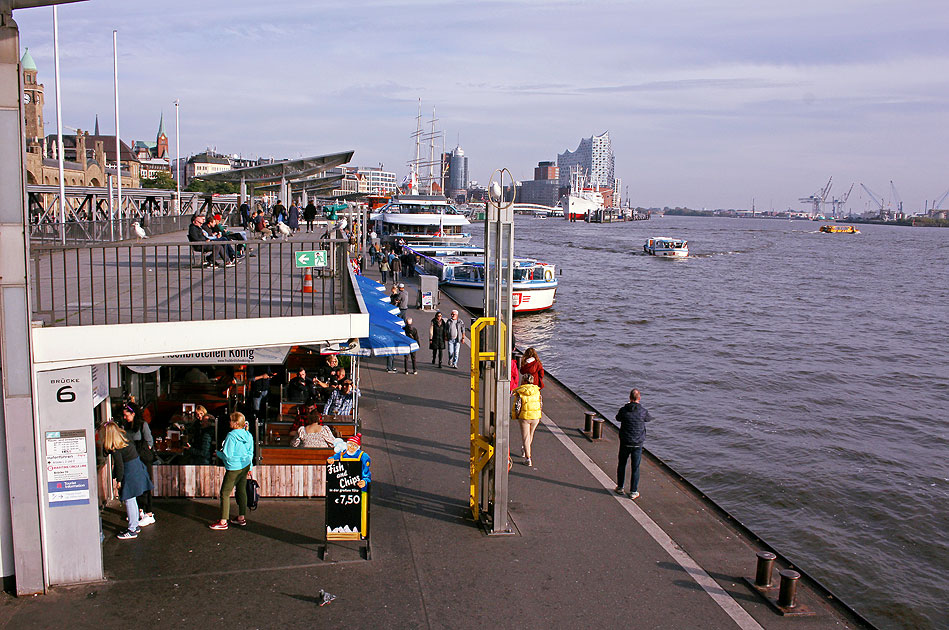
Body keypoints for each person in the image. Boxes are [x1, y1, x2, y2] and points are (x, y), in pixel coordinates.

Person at [103, 422, 153, 539]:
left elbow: (119, 466)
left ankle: (132, 529)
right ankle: (134, 526)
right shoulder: (125, 439)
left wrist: (118, 481)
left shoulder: (116, 448)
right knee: (133, 499)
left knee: (129, 499)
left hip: (130, 472)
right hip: (137, 468)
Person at [210, 412, 255, 530]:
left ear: (235, 423)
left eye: (230, 420)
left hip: (233, 468)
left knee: (225, 493)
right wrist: (250, 467)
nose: (229, 422)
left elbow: (227, 455)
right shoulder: (248, 435)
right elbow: (250, 453)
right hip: (244, 466)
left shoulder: (231, 436)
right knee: (241, 490)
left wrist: (218, 453)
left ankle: (223, 521)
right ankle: (241, 517)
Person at [120, 404, 155, 527]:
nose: (125, 417)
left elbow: (150, 441)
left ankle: (149, 513)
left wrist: (145, 451)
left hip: (143, 458)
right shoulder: (126, 426)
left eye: (126, 415)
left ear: (133, 414)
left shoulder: (142, 425)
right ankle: (139, 509)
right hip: (133, 458)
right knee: (136, 484)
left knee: (145, 484)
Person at [614, 388, 653, 500]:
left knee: (622, 464)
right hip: (637, 443)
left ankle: (620, 487)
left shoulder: (624, 410)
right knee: (635, 467)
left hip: (625, 442)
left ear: (629, 398)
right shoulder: (643, 411)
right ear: (639, 398)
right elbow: (648, 419)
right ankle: (633, 491)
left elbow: (618, 418)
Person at [512, 374, 542, 467]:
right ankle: (525, 450)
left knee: (525, 437)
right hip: (535, 417)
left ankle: (528, 458)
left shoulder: (521, 392)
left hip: (524, 417)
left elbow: (517, 406)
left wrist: (515, 416)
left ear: (524, 381)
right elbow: (540, 403)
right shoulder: (537, 391)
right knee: (530, 435)